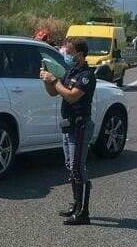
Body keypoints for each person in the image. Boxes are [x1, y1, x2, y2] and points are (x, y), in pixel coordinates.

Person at [40, 38, 96, 226]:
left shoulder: (86, 75)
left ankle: (83, 212)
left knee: (78, 167)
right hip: (68, 126)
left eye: (69, 51)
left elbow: (72, 97)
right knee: (71, 166)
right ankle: (76, 204)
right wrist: (47, 79)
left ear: (80, 54)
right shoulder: (71, 72)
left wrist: (54, 80)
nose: (66, 54)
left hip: (80, 126)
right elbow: (54, 92)